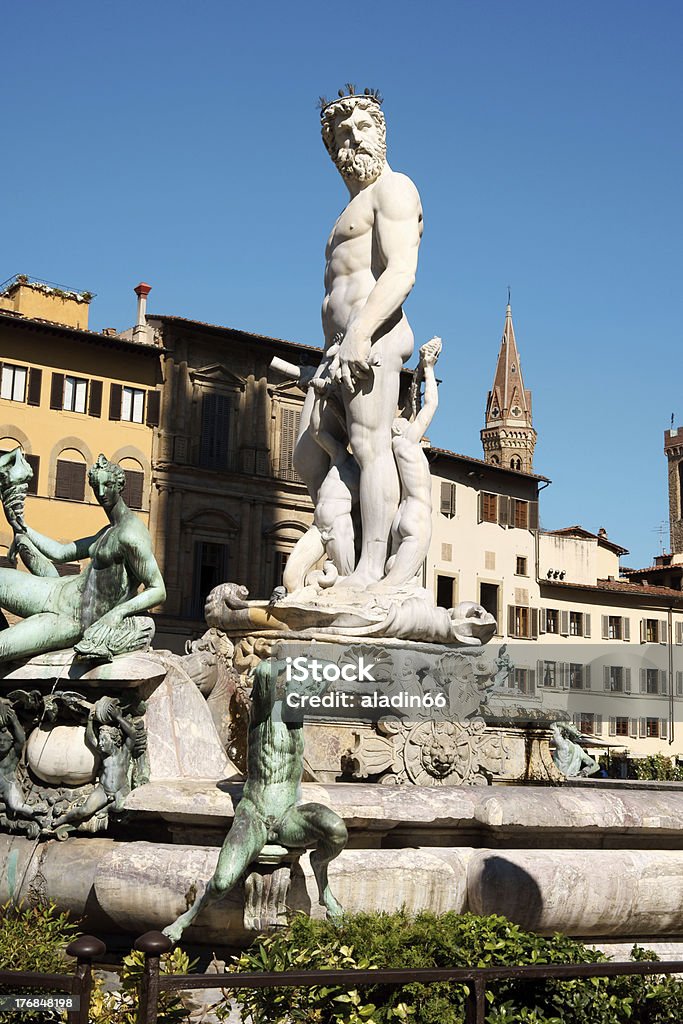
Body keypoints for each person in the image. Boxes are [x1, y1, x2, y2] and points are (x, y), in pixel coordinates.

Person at [293, 89, 423, 588]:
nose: (350, 141)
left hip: (373, 340)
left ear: (381, 134)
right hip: (337, 350)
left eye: (360, 129)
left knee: (371, 449)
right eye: (339, 135)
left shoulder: (395, 189)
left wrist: (361, 333)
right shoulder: (350, 208)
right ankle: (340, 558)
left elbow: (402, 272)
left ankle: (371, 569)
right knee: (308, 455)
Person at [163, 657, 347, 942]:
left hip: (288, 816)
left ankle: (322, 880)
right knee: (223, 882)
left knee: (336, 831)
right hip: (255, 815)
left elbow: (324, 679)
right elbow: (262, 671)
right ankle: (188, 917)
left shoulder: (297, 719)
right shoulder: (263, 714)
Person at [0, 453, 166, 662]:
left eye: (107, 485)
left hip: (70, 620)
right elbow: (61, 553)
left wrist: (118, 613)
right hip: (54, 590)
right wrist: (23, 528)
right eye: (96, 486)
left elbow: (158, 589)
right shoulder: (108, 530)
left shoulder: (131, 534)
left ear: (119, 485)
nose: (100, 492)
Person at [382, 337, 441, 587]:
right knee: (394, 587)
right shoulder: (408, 440)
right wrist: (429, 367)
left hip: (399, 517)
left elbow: (411, 404)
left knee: (392, 574)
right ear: (403, 428)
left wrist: (416, 376)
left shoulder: (394, 446)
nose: (410, 419)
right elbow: (431, 404)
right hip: (417, 514)